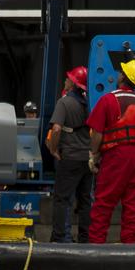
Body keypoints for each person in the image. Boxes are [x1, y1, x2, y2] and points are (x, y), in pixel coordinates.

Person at [86, 57, 135, 244]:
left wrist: (93, 155)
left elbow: (97, 134)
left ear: (123, 77)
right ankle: (129, 249)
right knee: (133, 206)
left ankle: (96, 247)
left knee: (104, 204)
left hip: (116, 155)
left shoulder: (108, 100)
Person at [47, 65, 92, 244]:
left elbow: (56, 128)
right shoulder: (89, 103)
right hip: (86, 158)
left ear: (73, 83)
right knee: (85, 201)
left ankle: (61, 237)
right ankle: (85, 238)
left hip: (70, 157)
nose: (65, 80)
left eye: (69, 78)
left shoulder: (64, 102)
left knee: (62, 199)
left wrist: (53, 148)